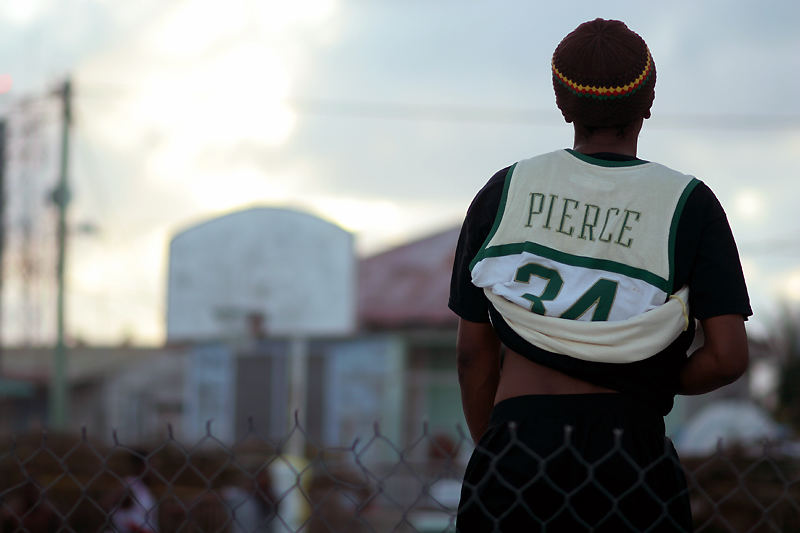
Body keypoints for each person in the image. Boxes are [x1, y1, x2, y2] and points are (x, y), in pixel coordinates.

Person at [448, 18, 751, 532]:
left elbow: (471, 352)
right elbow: (727, 357)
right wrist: (640, 377)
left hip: (519, 446)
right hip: (628, 453)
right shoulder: (689, 203)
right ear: (649, 101)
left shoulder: (506, 190)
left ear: (563, 104)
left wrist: (498, 444)